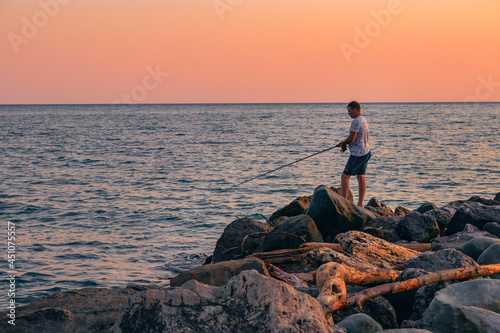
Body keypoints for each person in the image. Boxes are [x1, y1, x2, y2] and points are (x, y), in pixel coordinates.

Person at [335, 101, 371, 207]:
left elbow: (352, 138)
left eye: (349, 111)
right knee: (361, 177)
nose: (348, 113)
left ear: (355, 110)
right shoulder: (363, 120)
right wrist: (345, 144)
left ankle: (344, 202)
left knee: (344, 176)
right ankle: (360, 204)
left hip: (358, 154)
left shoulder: (356, 121)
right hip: (366, 152)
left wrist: (342, 143)